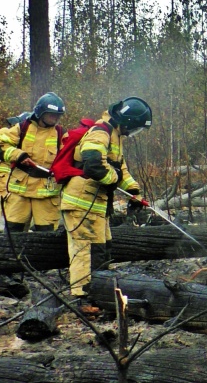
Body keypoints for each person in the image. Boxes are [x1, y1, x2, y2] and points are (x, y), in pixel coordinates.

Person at [60, 97, 152, 298]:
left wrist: (134, 191)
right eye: (134, 127)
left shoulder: (116, 135)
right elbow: (93, 164)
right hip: (81, 203)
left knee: (101, 248)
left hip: (97, 204)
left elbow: (121, 169)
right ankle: (81, 296)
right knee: (83, 251)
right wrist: (113, 179)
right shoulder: (100, 132)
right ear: (127, 121)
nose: (133, 132)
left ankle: (100, 291)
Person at [0, 94, 67, 232]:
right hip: (19, 191)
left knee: (47, 236)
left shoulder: (61, 133)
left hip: (46, 194)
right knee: (14, 233)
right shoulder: (22, 128)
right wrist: (18, 155)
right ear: (40, 113)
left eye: (58, 115)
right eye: (52, 115)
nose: (56, 118)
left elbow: (69, 158)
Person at [0, 112, 31, 218]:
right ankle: (5, 222)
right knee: (6, 196)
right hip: (2, 168)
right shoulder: (5, 132)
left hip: (6, 169)